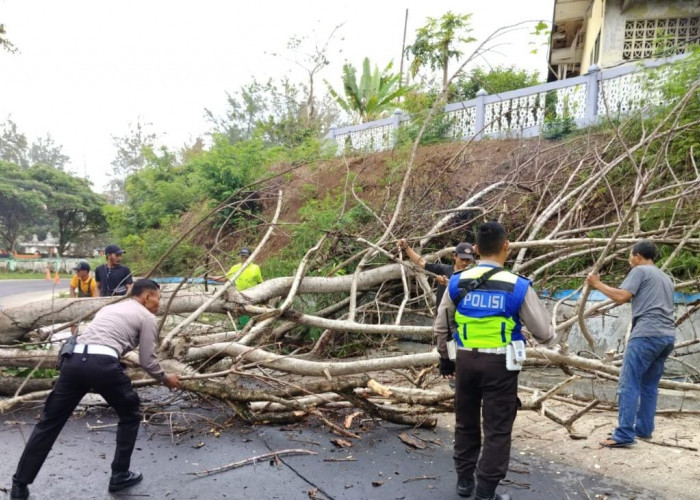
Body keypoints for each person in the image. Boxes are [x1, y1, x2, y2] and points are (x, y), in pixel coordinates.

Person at [9, 279, 181, 499]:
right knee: (130, 413)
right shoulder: (147, 316)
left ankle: (19, 484)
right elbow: (148, 360)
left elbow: (104, 337)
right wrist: (166, 378)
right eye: (158, 296)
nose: (159, 302)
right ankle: (119, 474)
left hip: (73, 361)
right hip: (102, 365)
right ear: (147, 297)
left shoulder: (110, 308)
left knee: (49, 422)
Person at [434, 222, 555, 500]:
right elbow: (545, 333)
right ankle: (485, 491)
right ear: (506, 246)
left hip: (465, 361)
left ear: (475, 250)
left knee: (465, 422)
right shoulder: (517, 285)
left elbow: (442, 327)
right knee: (497, 429)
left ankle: (464, 483)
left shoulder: (456, 281)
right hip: (500, 367)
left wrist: (446, 359)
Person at [586, 240, 675, 448]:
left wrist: (596, 283)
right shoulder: (666, 278)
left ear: (637, 256)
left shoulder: (640, 271)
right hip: (667, 336)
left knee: (628, 383)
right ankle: (643, 429)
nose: (629, 260)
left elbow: (621, 297)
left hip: (646, 335)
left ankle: (624, 433)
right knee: (649, 385)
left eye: (630, 255)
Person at [397, 239, 476, 308]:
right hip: (442, 316)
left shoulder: (472, 275)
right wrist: (406, 247)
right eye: (462, 259)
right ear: (454, 256)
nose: (465, 262)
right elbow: (421, 262)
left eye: (468, 260)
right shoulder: (444, 269)